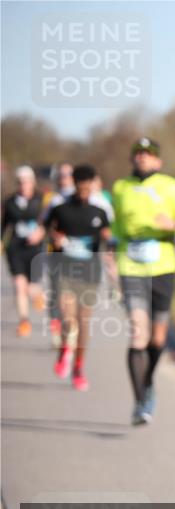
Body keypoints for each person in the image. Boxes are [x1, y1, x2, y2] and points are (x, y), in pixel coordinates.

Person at [112, 136, 175, 424]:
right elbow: (114, 230)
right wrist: (110, 258)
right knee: (138, 332)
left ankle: (148, 384)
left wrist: (173, 225)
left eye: (148, 154)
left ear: (158, 161)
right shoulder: (120, 188)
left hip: (162, 266)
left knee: (158, 338)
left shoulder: (172, 187)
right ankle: (140, 402)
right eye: (137, 153)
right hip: (131, 266)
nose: (142, 158)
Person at [45, 165, 114, 391]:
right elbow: (46, 228)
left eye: (88, 188)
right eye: (81, 188)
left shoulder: (100, 211)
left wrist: (111, 254)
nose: (84, 193)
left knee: (84, 322)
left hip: (90, 273)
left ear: (93, 185)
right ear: (74, 184)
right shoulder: (60, 208)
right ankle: (65, 348)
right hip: (65, 270)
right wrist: (54, 239)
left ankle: (78, 367)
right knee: (68, 317)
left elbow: (108, 236)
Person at [2, 166, 47, 336]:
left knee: (31, 288)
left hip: (36, 249)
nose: (23, 185)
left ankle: (39, 297)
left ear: (33, 182)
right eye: (20, 182)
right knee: (19, 286)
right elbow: (4, 225)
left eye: (26, 181)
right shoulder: (10, 202)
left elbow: (49, 222)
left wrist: (41, 232)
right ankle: (24, 321)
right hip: (15, 248)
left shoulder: (42, 200)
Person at [41, 162, 76, 347]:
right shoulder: (53, 200)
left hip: (77, 255)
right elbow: (43, 225)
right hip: (56, 253)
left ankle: (70, 328)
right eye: (61, 175)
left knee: (72, 294)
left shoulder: (80, 199)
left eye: (67, 175)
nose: (64, 178)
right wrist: (52, 235)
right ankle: (56, 328)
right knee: (56, 292)